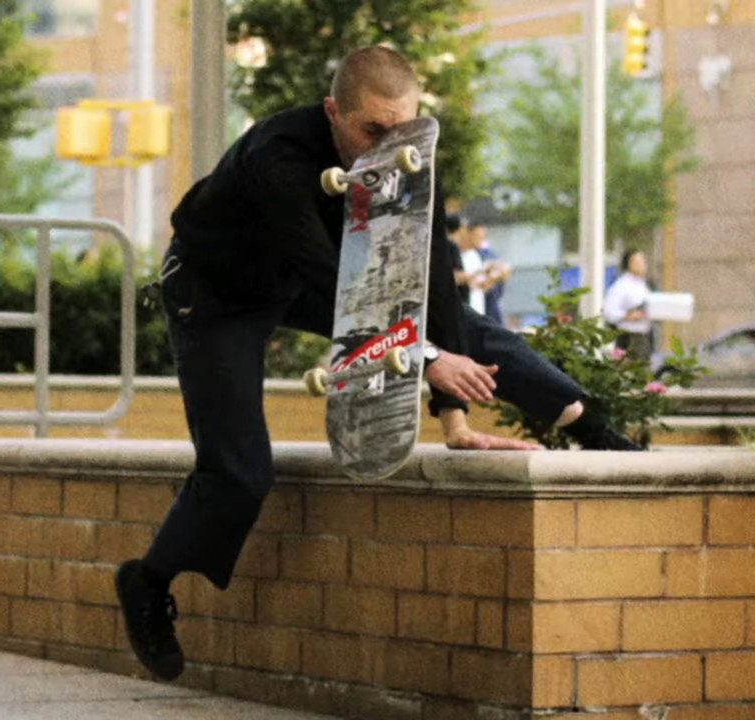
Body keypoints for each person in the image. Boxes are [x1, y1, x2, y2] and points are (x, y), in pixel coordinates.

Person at [116, 46, 635, 684]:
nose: (387, 146)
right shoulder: (277, 155)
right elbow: (330, 279)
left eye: (402, 128)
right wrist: (425, 357)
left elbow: (434, 282)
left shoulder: (408, 153)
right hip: (218, 292)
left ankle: (594, 427)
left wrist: (454, 420)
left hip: (305, 281)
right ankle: (147, 582)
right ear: (333, 111)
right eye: (371, 131)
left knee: (473, 330)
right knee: (241, 471)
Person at [604, 249, 653, 361]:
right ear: (629, 264)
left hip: (644, 336)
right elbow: (609, 312)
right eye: (638, 261)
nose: (642, 265)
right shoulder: (621, 286)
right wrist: (628, 316)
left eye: (643, 261)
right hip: (628, 337)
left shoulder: (643, 285)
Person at [468, 219, 512, 325]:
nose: (480, 240)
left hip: (491, 309)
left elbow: (504, 270)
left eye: (482, 237)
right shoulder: (464, 254)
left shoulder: (487, 253)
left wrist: (492, 277)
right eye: (477, 236)